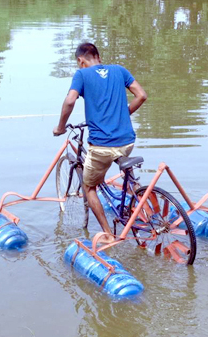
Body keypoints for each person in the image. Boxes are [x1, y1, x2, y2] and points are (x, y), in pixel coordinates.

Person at [53, 42, 147, 235]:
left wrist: (61, 127)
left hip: (102, 146)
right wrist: (123, 114)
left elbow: (70, 100)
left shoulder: (82, 75)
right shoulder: (119, 70)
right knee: (124, 172)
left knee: (89, 186)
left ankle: (108, 234)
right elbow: (141, 96)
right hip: (128, 141)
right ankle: (140, 199)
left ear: (81, 61)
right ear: (99, 57)